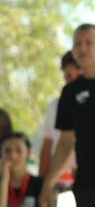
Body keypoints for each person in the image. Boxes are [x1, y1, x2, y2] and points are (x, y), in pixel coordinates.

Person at [39, 23, 95, 207]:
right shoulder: (71, 93)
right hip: (86, 184)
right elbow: (64, 143)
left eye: (89, 42)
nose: (83, 49)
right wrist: (47, 183)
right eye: (78, 44)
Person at [38, 50, 79, 182]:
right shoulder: (54, 105)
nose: (69, 74)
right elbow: (47, 143)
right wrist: (42, 181)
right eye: (66, 71)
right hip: (58, 179)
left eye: (76, 68)